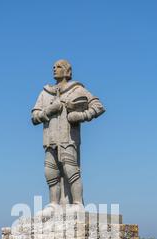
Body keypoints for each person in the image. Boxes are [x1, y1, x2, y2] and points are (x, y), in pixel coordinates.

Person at [32, 59, 105, 211]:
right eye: (53, 67)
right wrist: (49, 110)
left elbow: (98, 107)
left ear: (67, 71)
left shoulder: (77, 89)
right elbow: (34, 117)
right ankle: (53, 204)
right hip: (50, 139)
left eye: (58, 67)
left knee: (71, 170)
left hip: (68, 138)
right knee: (50, 172)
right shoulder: (45, 93)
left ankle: (77, 203)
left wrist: (81, 116)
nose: (54, 69)